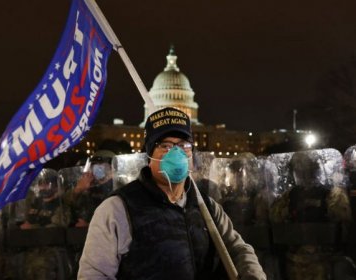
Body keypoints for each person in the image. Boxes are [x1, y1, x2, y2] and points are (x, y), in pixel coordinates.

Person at [78, 107, 266, 279]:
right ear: (149, 155)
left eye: (184, 145)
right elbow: (94, 274)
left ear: (192, 154)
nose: (176, 153)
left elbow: (237, 249)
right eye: (165, 146)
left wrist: (251, 274)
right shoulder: (118, 209)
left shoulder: (206, 206)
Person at [270, 150, 353, 280]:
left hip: (324, 261)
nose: (304, 174)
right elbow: (274, 219)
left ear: (316, 169)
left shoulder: (333, 194)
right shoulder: (288, 196)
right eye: (299, 169)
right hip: (293, 262)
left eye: (308, 168)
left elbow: (344, 224)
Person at [64, 149, 115, 227]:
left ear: (112, 167)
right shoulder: (88, 186)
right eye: (94, 164)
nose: (96, 167)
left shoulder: (116, 188)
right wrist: (78, 189)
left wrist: (89, 226)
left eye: (101, 164)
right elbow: (65, 205)